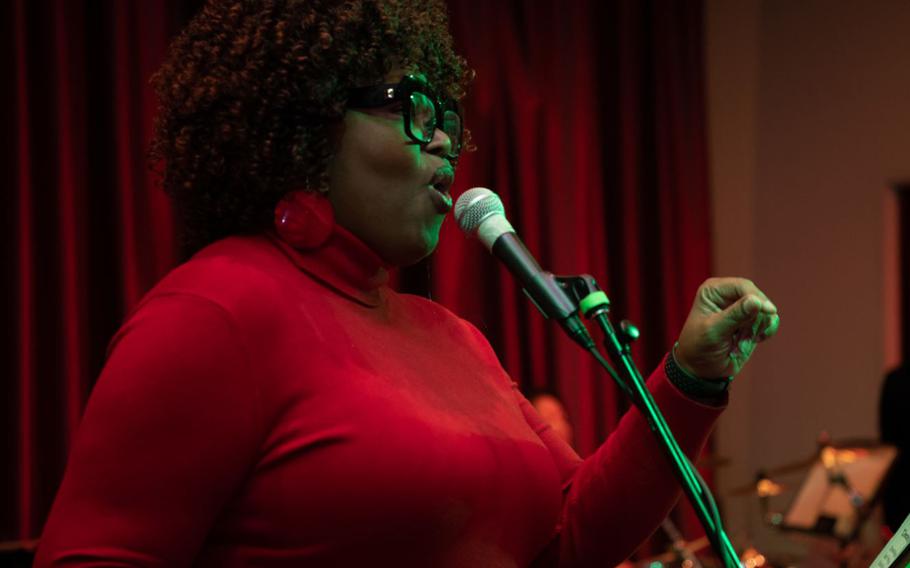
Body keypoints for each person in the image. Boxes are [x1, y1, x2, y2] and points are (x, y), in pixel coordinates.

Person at [34, 1, 781, 566]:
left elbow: (574, 538)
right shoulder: (213, 311)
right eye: (413, 109)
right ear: (310, 121)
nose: (448, 139)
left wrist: (690, 377)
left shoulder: (453, 337)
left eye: (446, 114)